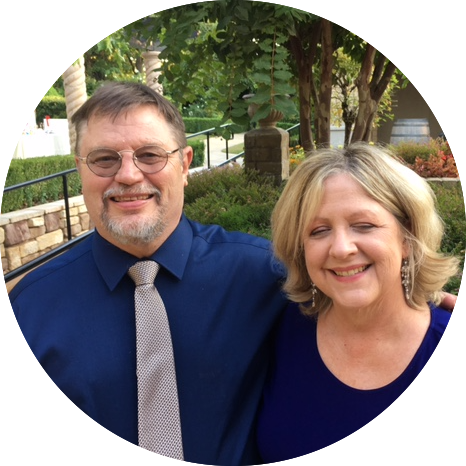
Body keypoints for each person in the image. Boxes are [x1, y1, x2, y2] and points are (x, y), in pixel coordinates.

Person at [9, 83, 456, 464]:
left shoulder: (263, 273)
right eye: (105, 159)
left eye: (150, 155)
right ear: (80, 169)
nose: (128, 175)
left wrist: (425, 297)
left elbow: (351, 281)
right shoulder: (30, 309)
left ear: (185, 164)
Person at [257, 142, 460, 461]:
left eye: (364, 226)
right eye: (319, 231)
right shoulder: (280, 329)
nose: (341, 248)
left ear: (407, 238)